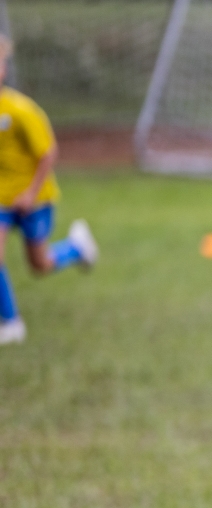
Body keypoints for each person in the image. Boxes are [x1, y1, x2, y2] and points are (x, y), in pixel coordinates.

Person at [0, 36, 97, 346]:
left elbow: (48, 153)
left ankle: (77, 248)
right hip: (2, 201)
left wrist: (30, 193)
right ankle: (11, 322)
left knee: (39, 265)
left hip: (34, 201)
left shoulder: (20, 110)